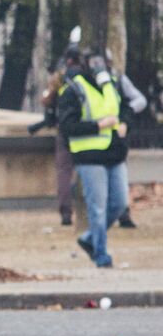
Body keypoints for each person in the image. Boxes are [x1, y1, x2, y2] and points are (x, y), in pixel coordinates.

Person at [57, 50, 130, 269]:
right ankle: (101, 255)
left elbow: (125, 106)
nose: (100, 66)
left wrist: (125, 122)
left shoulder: (112, 84)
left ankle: (89, 238)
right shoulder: (74, 89)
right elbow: (67, 126)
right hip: (89, 156)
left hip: (114, 153)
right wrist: (98, 125)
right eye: (95, 62)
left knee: (119, 204)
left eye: (103, 62)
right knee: (97, 208)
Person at [30, 47, 84, 227]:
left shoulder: (60, 78)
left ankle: (66, 212)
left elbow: (46, 100)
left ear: (68, 60)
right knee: (87, 170)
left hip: (65, 130)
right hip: (87, 131)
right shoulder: (89, 77)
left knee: (64, 172)